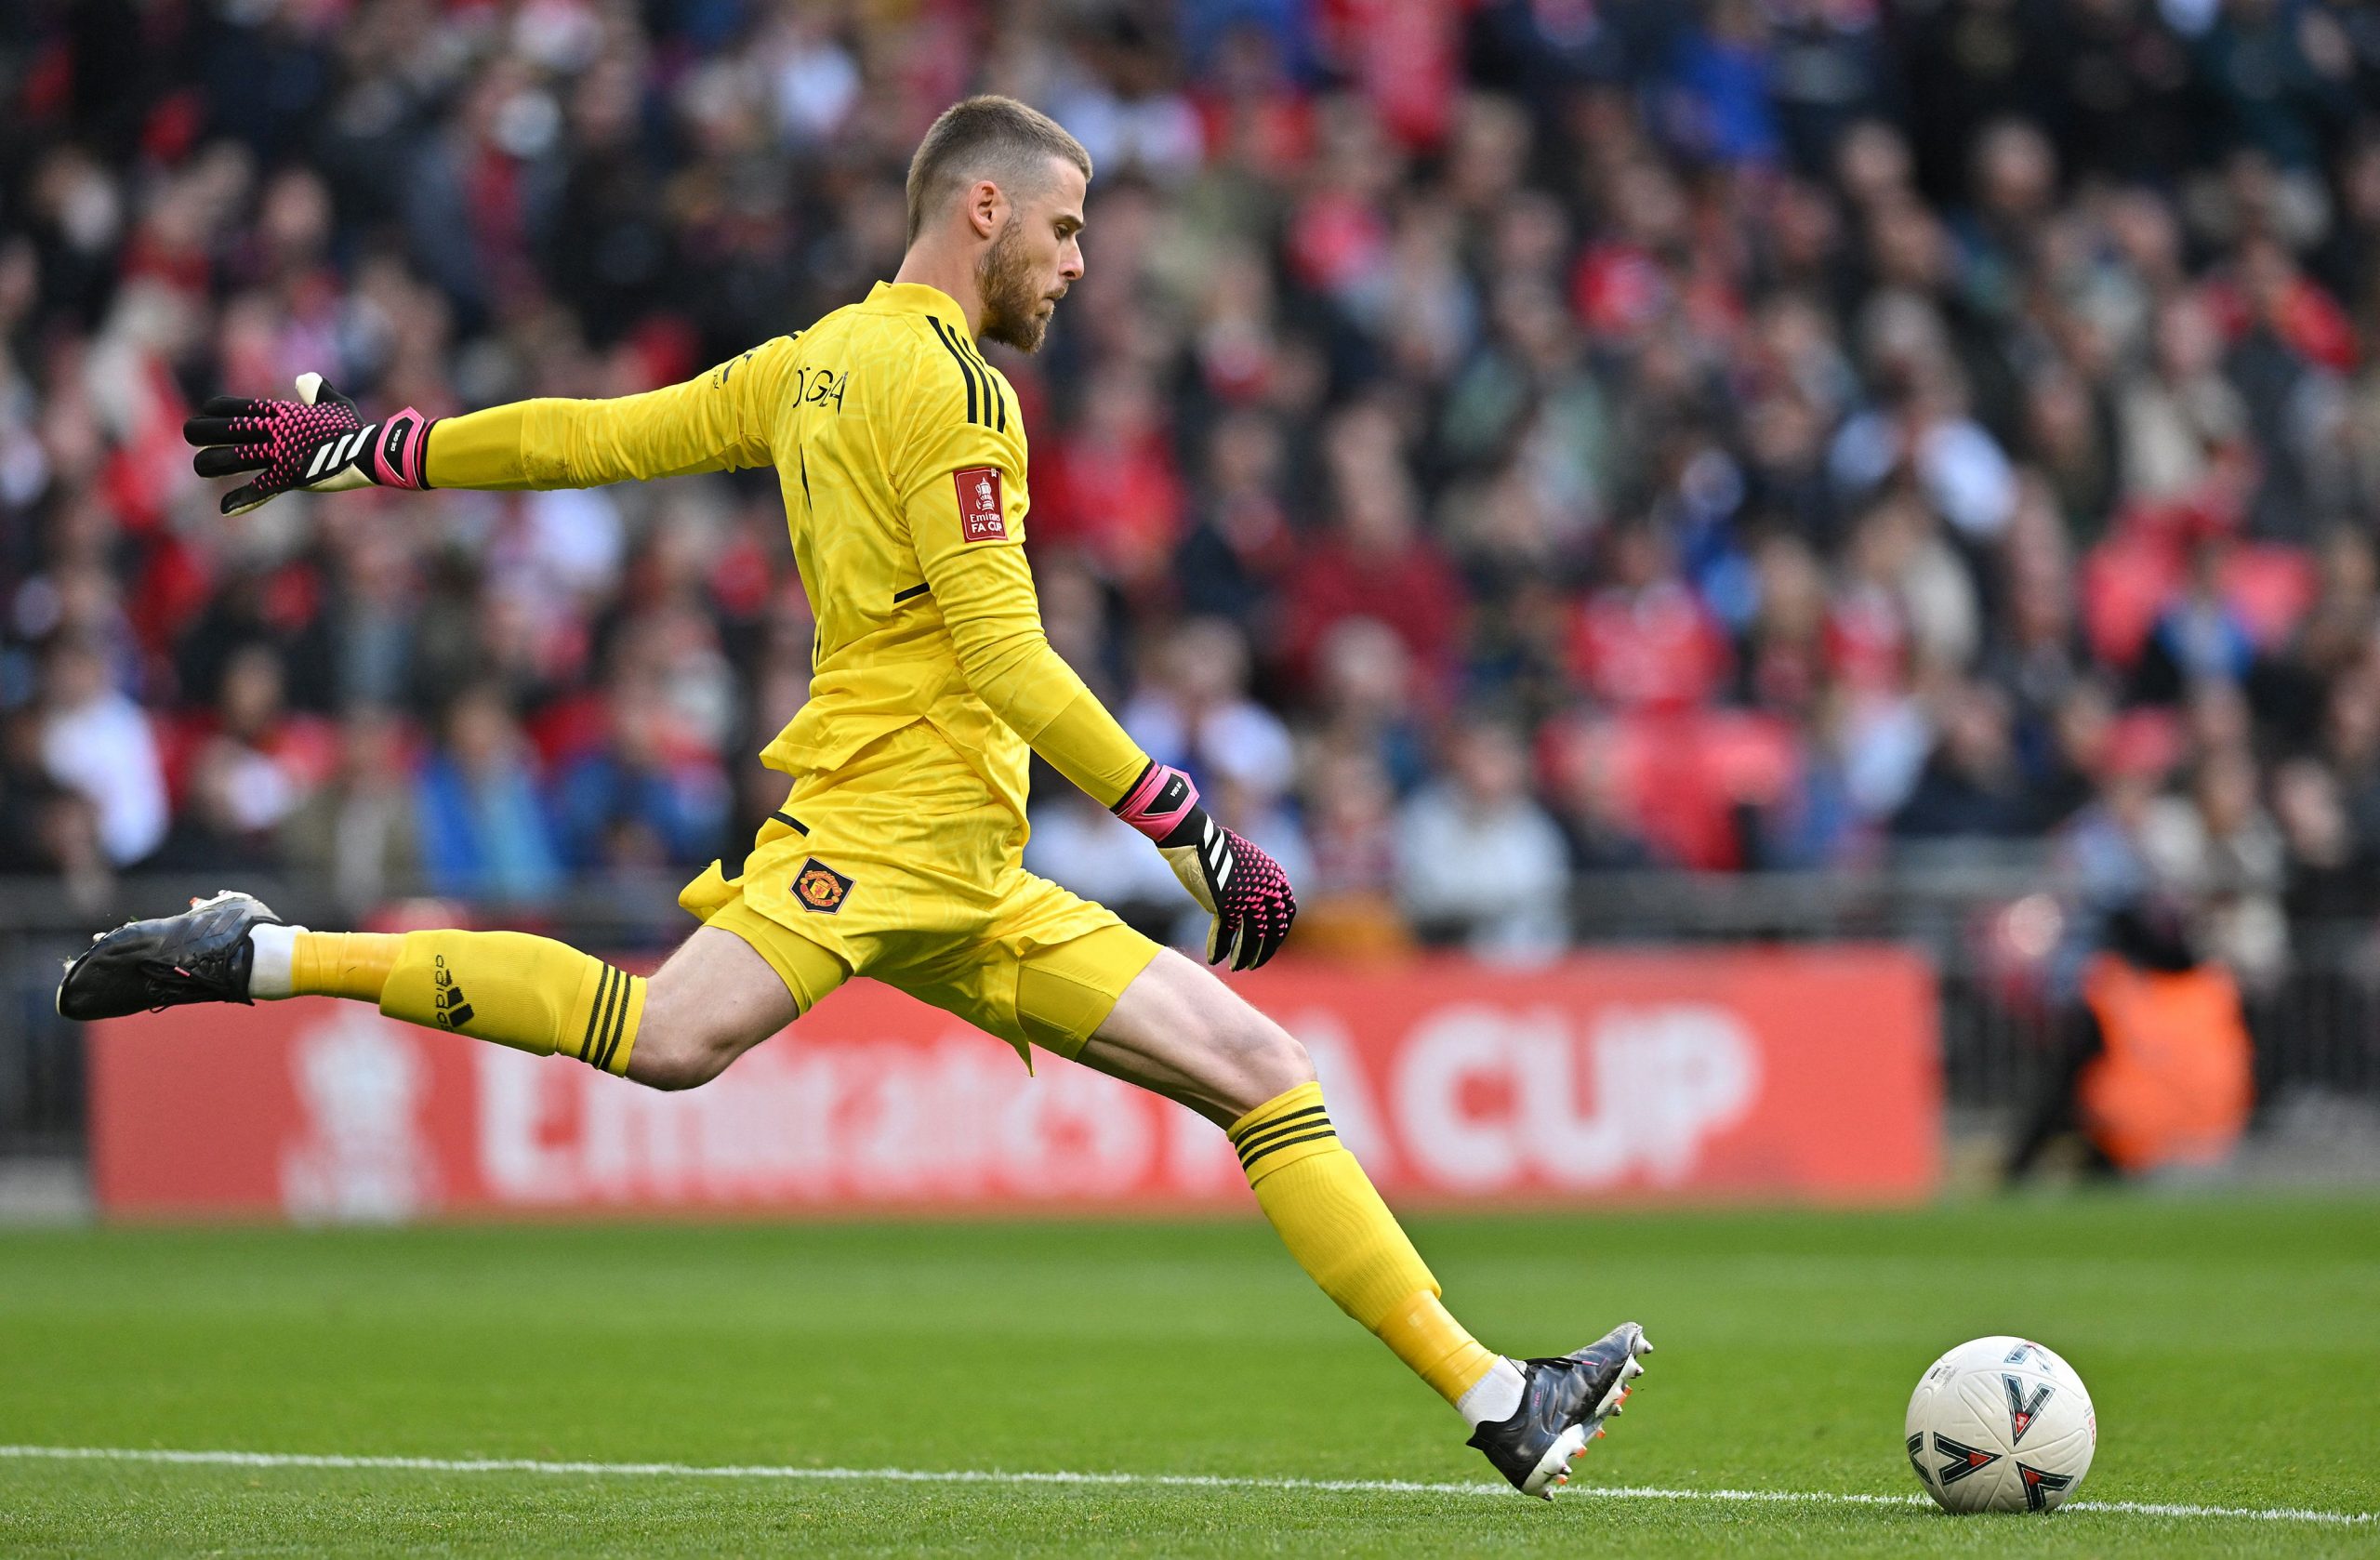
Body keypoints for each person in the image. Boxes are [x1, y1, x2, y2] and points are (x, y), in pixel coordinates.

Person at [60, 96, 1646, 1497]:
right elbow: (1010, 656)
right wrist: (1191, 822)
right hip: (882, 836)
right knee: (669, 1037)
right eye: (1067, 228)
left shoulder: (818, 357)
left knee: (1259, 1065)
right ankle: (265, 950)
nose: (1079, 264)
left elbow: (597, 437)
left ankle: (1499, 1397)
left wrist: (367, 450)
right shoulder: (953, 390)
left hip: (972, 863)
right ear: (983, 208)